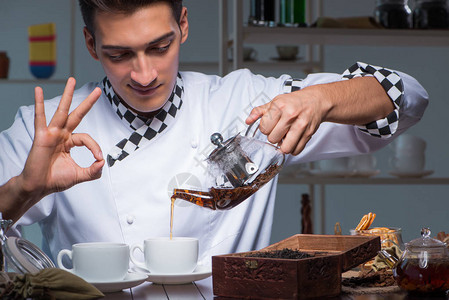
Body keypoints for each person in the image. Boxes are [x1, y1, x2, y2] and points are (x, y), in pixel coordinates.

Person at [0, 0, 428, 266]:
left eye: (159, 46)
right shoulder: (48, 129)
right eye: (119, 54)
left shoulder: (244, 101)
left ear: (183, 25)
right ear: (92, 46)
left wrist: (322, 99)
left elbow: (408, 98)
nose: (144, 73)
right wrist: (24, 188)